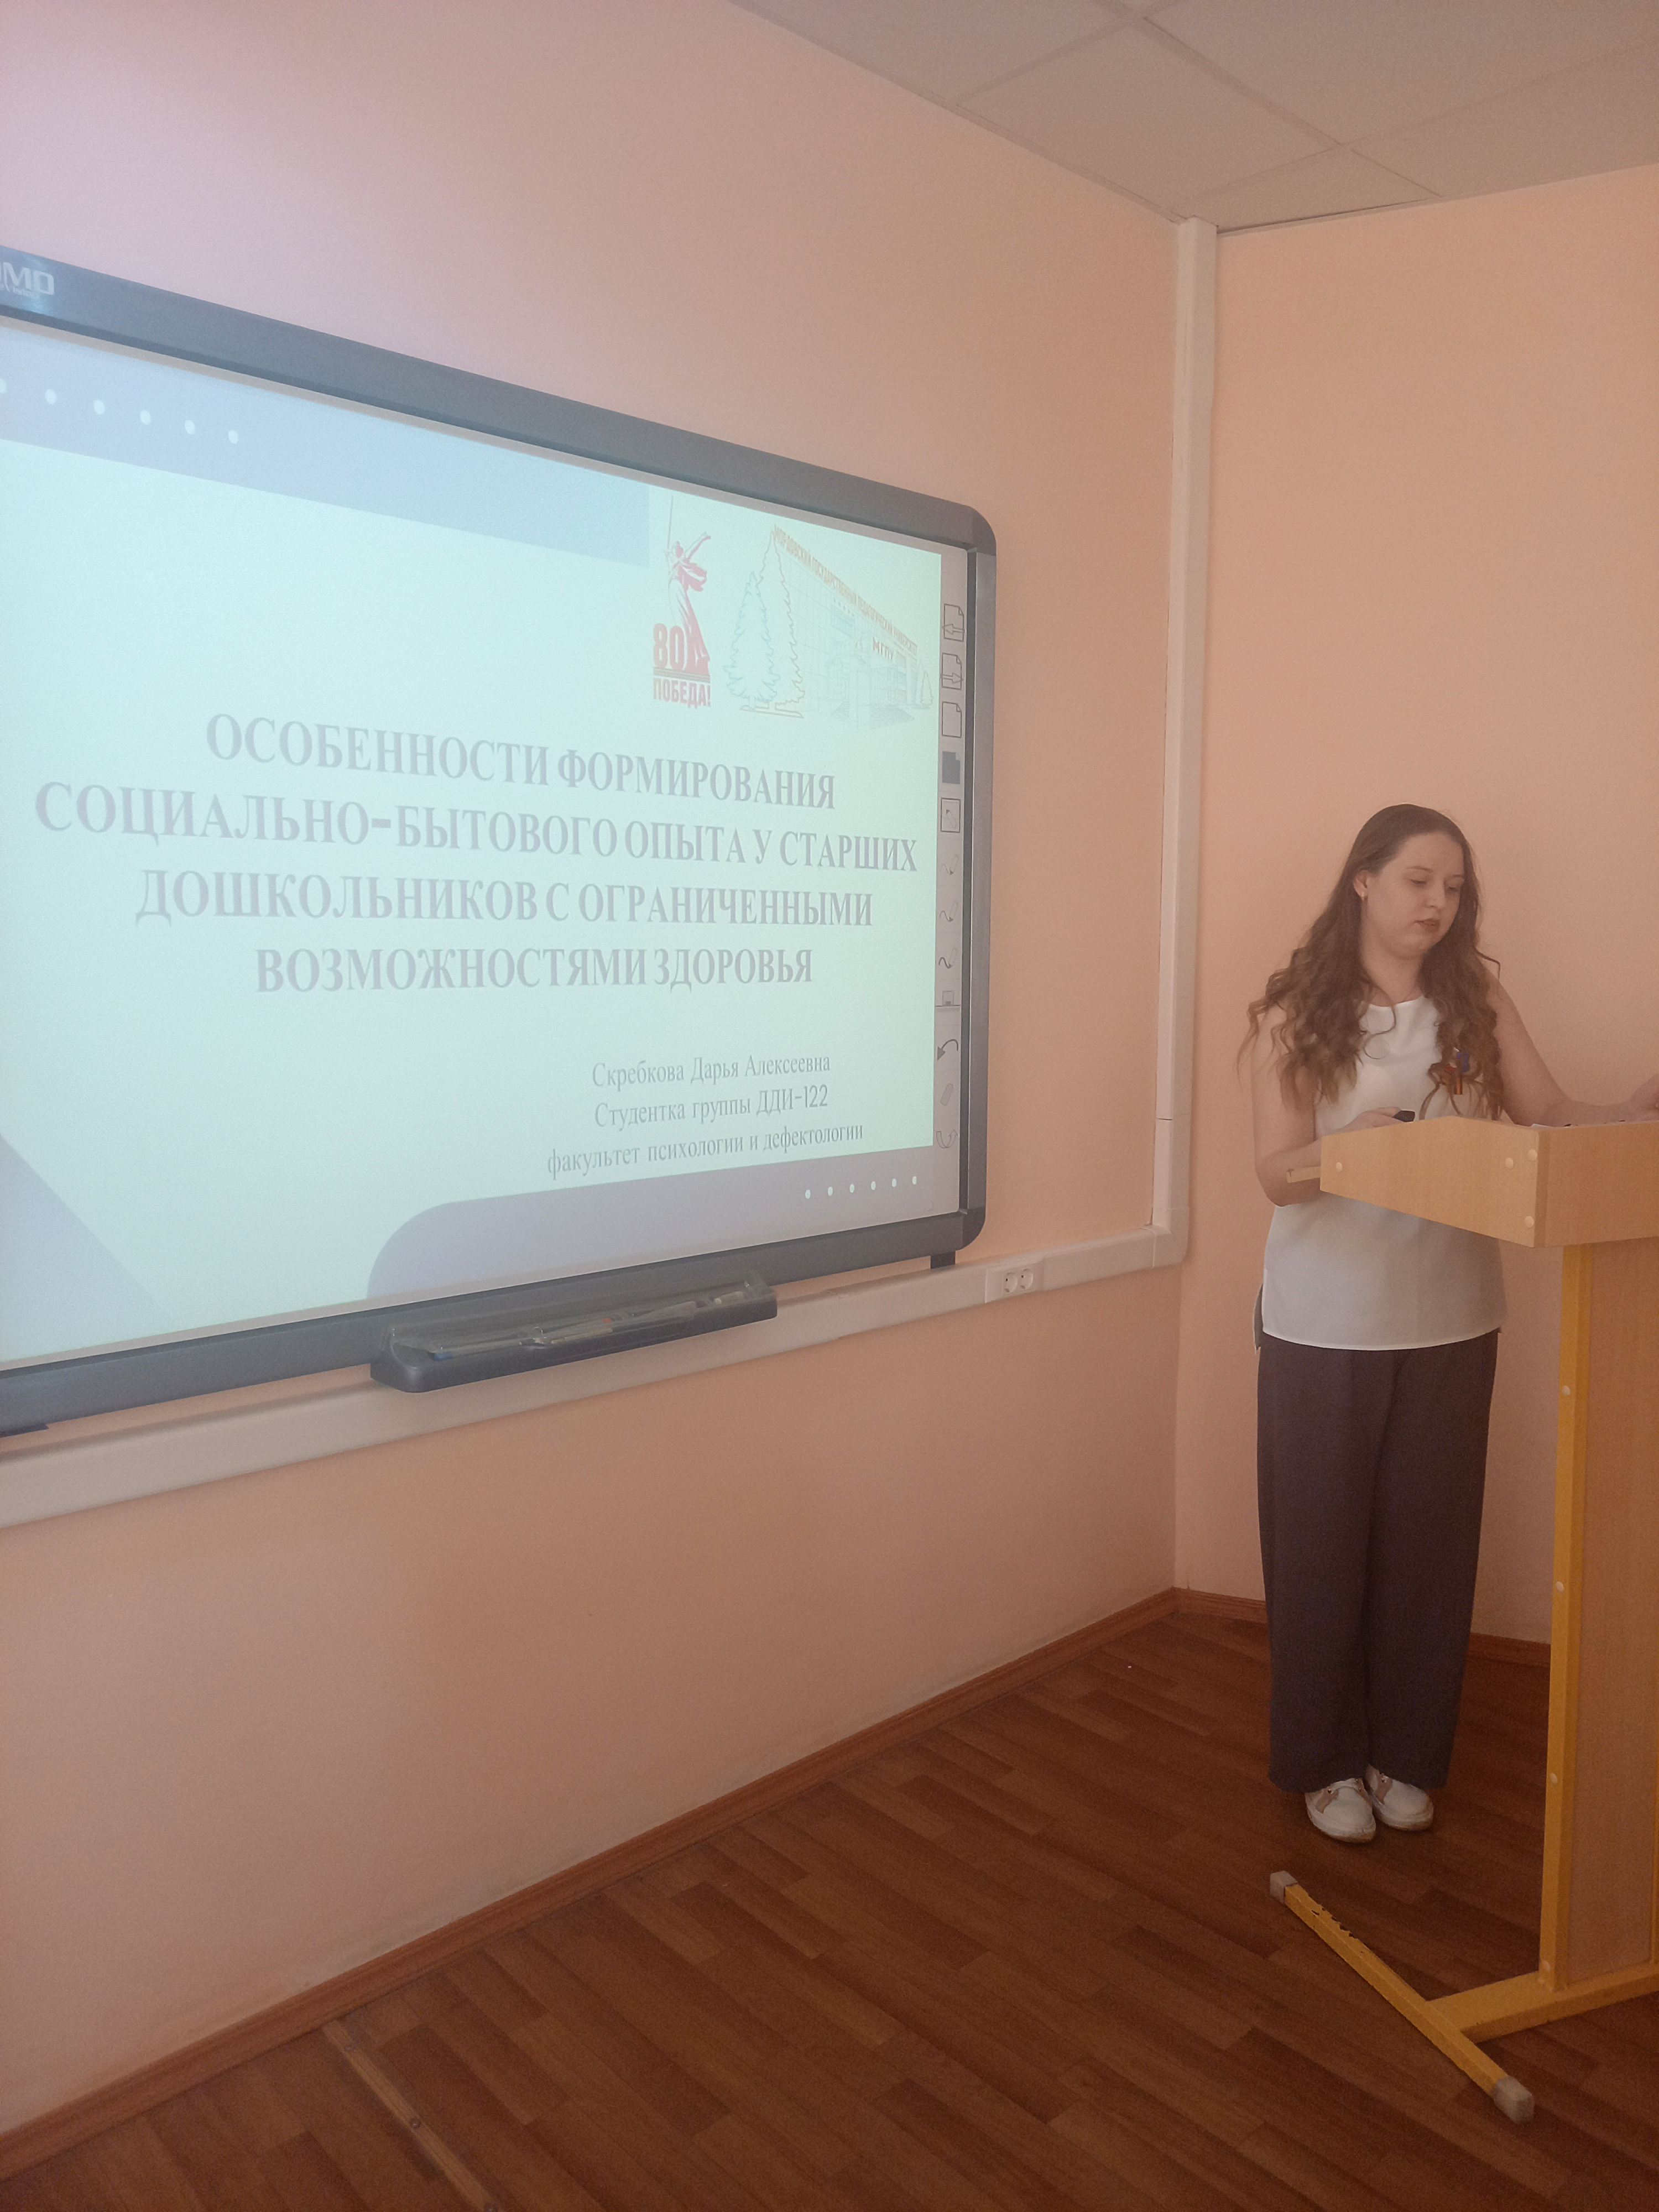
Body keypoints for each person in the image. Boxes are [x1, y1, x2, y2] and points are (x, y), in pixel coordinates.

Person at [1246, 805, 1659, 1842]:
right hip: (1325, 1325)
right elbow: (1277, 1176)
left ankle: (1405, 1753)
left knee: (1429, 1554)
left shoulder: (1476, 999)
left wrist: (1631, 1112)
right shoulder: (1297, 1012)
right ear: (1364, 880)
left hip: (1452, 1319)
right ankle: (1325, 1763)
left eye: (1455, 887)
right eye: (1420, 880)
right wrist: (1350, 1149)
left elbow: (1548, 1113)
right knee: (1319, 1553)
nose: (1439, 903)